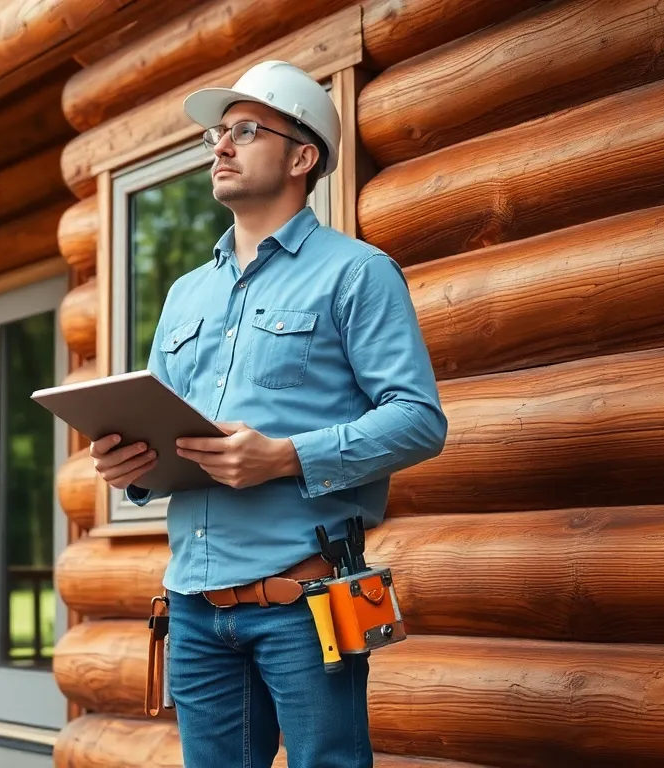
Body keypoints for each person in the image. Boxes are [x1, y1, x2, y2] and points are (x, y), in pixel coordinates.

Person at [88, 60, 447, 768]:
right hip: (191, 606)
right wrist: (131, 468)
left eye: (244, 130)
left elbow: (418, 420)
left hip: (307, 601)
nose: (219, 146)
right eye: (218, 133)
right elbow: (162, 428)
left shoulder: (357, 273)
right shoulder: (184, 296)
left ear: (302, 156)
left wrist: (285, 456)